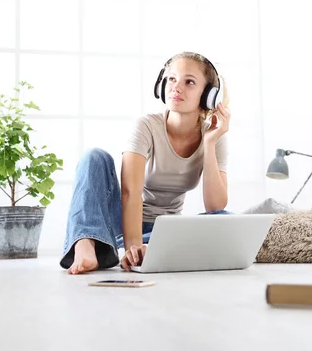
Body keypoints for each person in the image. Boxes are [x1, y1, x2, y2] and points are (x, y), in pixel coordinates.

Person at [59, 51, 231, 274]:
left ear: (209, 96)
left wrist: (208, 144)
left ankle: (149, 248)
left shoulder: (215, 137)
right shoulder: (147, 126)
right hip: (123, 223)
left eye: (189, 82)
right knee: (94, 157)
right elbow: (130, 192)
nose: (176, 87)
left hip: (165, 230)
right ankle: (85, 244)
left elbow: (215, 207)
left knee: (223, 220)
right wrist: (133, 248)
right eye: (171, 79)